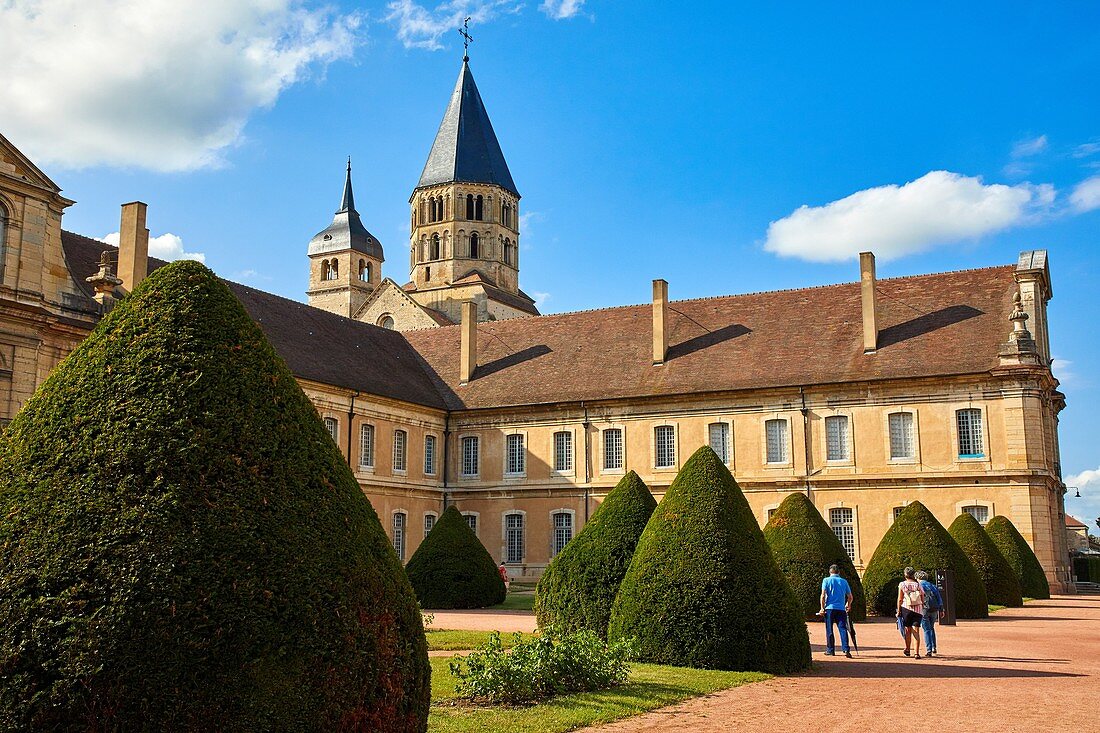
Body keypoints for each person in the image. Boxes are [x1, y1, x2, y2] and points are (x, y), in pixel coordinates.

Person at [819, 564, 854, 658]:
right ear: (839, 572)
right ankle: (846, 649)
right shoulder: (844, 581)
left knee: (829, 629)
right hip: (841, 608)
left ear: (830, 572)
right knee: (842, 628)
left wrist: (822, 608)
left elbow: (823, 595)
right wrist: (848, 605)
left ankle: (830, 650)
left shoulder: (826, 580)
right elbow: (850, 597)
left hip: (829, 608)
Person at [896, 566, 925, 658]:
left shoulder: (902, 584)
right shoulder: (918, 584)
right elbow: (922, 597)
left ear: (905, 574)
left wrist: (898, 610)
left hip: (906, 609)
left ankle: (908, 649)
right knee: (916, 630)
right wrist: (922, 605)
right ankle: (916, 653)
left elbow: (900, 599)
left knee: (908, 630)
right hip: (918, 610)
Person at [916, 570, 944, 657]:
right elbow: (939, 598)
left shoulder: (918, 586)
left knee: (926, 629)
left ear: (918, 578)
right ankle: (933, 647)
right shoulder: (932, 585)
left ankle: (929, 650)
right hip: (934, 609)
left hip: (924, 609)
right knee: (931, 628)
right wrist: (942, 609)